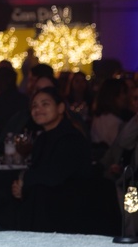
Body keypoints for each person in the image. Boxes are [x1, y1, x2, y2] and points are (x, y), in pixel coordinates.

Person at [11, 87, 91, 232]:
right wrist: (22, 186)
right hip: (49, 205)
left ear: (60, 108)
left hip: (69, 211)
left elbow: (54, 176)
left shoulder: (70, 138)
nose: (38, 109)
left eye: (45, 104)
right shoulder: (43, 138)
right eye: (34, 106)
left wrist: (26, 181)